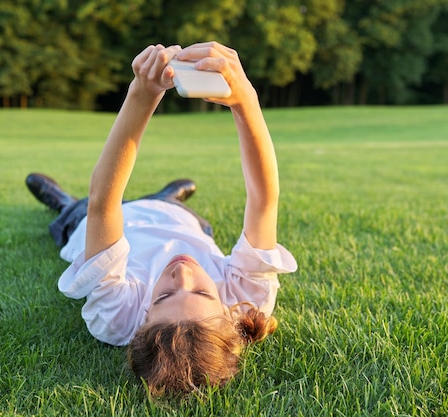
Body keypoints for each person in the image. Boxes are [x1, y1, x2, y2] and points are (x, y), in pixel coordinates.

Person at [25, 41, 298, 396]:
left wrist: (142, 95)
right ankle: (167, 197)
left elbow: (103, 203)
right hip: (180, 221)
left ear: (142, 324)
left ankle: (61, 201)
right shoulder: (246, 299)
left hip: (113, 220)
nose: (181, 271)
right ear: (229, 317)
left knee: (75, 213)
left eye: (164, 296)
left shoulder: (116, 319)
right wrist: (246, 101)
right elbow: (263, 200)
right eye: (202, 291)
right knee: (177, 210)